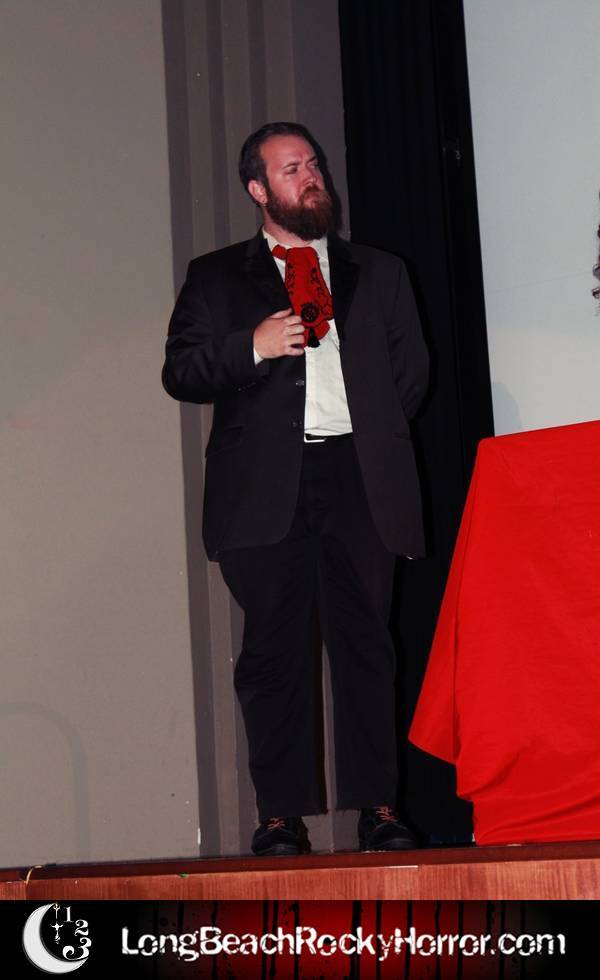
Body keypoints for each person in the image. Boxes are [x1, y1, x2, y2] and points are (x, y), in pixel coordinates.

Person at [162, 121, 429, 856]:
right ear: (258, 189)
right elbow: (181, 371)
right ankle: (280, 816)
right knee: (273, 654)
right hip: (264, 486)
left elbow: (410, 377)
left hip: (359, 478)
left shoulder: (379, 270)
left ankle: (379, 809)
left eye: (313, 164)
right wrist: (249, 348)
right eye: (290, 169)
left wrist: (363, 435)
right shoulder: (217, 275)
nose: (310, 177)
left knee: (366, 646)